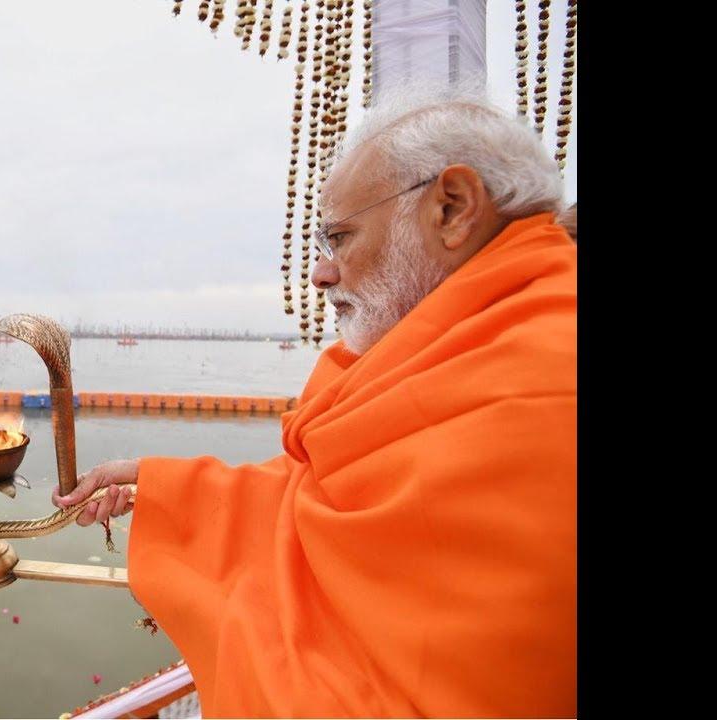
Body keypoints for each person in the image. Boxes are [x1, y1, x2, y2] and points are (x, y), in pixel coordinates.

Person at [52, 85, 576, 718]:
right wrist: (161, 490)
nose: (322, 274)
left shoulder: (546, 388)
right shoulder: (451, 358)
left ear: (453, 209)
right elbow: (325, 503)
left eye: (341, 238)